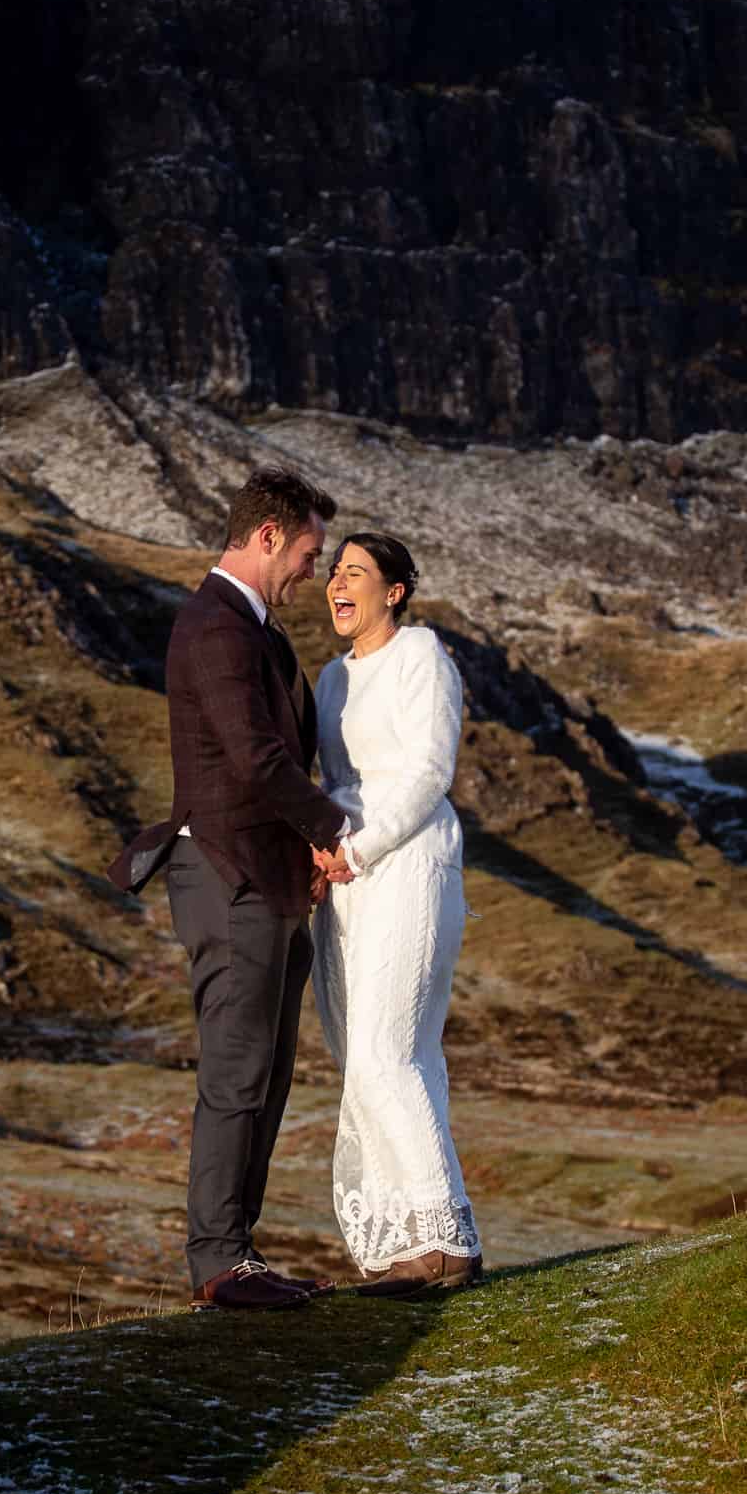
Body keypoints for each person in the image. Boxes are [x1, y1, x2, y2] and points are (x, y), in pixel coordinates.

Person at [109, 465, 357, 1314]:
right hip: (229, 877)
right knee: (237, 1069)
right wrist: (334, 831)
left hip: (270, 881)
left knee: (270, 1072)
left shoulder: (256, 631)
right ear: (266, 537)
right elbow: (255, 763)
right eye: (309, 553)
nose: (313, 573)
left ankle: (236, 1252)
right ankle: (216, 1259)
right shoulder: (215, 628)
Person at [309, 532, 482, 1297]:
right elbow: (329, 781)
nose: (337, 583)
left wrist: (364, 844)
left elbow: (429, 770)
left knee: (391, 1051)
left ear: (395, 592)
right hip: (344, 878)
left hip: (408, 862)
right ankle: (399, 1246)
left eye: (356, 572)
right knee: (363, 1061)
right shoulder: (327, 680)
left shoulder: (422, 659)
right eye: (334, 571)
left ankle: (447, 1239)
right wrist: (321, 851)